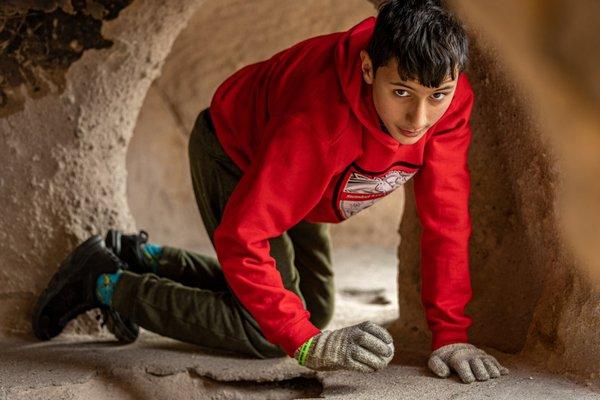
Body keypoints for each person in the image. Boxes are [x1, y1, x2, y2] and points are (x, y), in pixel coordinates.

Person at [32, 0, 510, 383]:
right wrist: (301, 342)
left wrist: (450, 334)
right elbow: (243, 237)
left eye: (437, 97)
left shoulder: (449, 100)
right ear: (367, 69)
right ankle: (106, 282)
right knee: (267, 332)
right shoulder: (318, 123)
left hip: (306, 188)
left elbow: (445, 217)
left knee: (314, 309)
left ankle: (140, 256)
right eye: (401, 92)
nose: (419, 121)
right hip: (236, 154)